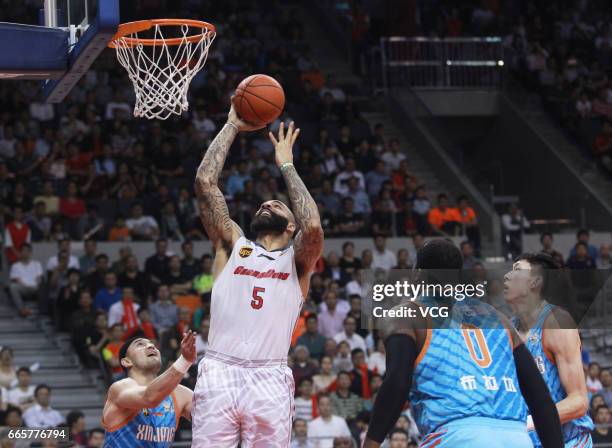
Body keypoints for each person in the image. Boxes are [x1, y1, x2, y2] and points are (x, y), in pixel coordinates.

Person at [191, 106, 323, 446]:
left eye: (278, 205)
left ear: (289, 226)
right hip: (220, 369)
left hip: (269, 374)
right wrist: (232, 125)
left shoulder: (297, 262)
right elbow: (205, 184)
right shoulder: (232, 244)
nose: (267, 204)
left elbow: (312, 226)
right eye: (265, 204)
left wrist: (286, 165)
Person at [364, 239, 563, 448]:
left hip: (456, 435)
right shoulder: (499, 319)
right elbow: (540, 396)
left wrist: (371, 443)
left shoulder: (408, 315)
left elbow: (397, 383)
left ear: (417, 275)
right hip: (516, 436)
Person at [505, 252, 593, 447]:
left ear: (534, 282)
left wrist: (527, 423)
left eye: (517, 270)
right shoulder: (507, 329)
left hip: (570, 441)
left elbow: (578, 401)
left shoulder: (556, 321)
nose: (507, 276)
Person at [101, 332, 196, 446]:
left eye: (153, 345)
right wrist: (184, 361)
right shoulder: (120, 388)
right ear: (127, 361)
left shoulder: (180, 393)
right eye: (140, 344)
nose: (151, 346)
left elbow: (210, 416)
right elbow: (149, 398)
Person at [8, 244, 42, 317]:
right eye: (23, 250)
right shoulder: (15, 266)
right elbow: (17, 280)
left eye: (27, 251)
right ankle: (22, 309)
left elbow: (39, 278)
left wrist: (37, 285)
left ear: (31, 253)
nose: (25, 252)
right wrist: (26, 286)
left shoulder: (37, 264)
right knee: (13, 286)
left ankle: (43, 312)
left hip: (35, 288)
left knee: (43, 286)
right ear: (20, 252)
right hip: (24, 288)